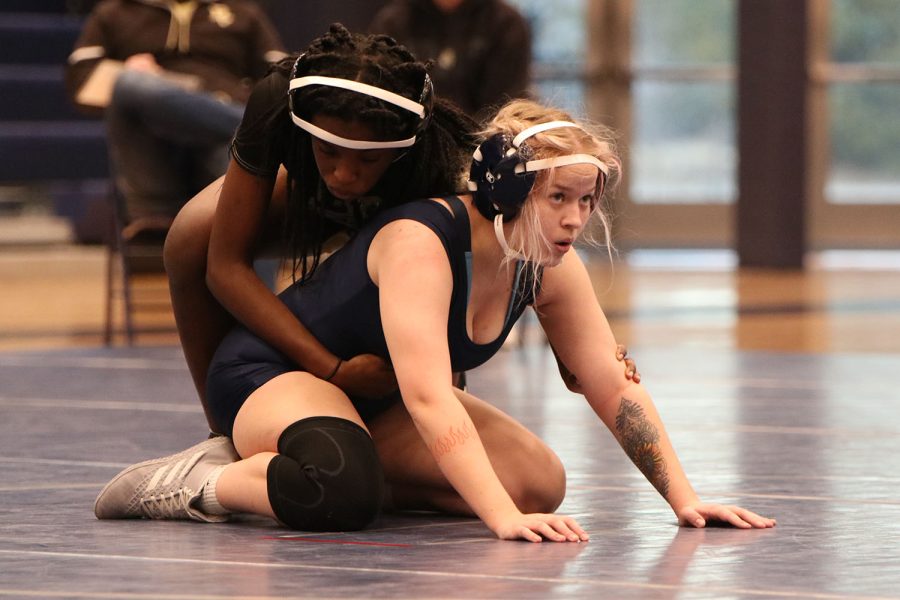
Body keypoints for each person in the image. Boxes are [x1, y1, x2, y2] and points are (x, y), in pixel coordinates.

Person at [93, 99, 776, 541]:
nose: (575, 219)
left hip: (374, 394)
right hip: (277, 373)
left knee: (539, 481)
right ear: (507, 189)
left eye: (586, 201)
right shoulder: (424, 244)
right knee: (344, 488)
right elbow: (427, 395)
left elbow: (612, 382)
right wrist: (500, 521)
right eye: (558, 197)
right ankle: (204, 479)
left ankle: (315, 459)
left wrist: (683, 500)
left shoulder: (547, 263)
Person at [160, 23, 638, 436]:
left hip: (402, 210)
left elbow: (514, 251)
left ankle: (392, 438)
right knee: (191, 236)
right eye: (329, 150)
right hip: (300, 192)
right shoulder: (278, 99)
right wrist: (331, 369)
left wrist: (579, 356)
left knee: (433, 280)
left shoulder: (441, 157)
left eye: (366, 158)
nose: (345, 175)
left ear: (402, 146)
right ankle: (223, 433)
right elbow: (225, 267)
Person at [65, 0, 287, 220]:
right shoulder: (115, 12)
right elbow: (81, 82)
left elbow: (281, 79)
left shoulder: (243, 12)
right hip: (154, 132)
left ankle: (239, 127)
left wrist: (239, 98)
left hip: (224, 117)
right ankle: (247, 128)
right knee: (129, 82)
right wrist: (122, 69)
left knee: (233, 147)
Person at [369, 0, 532, 120]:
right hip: (406, 148)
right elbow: (379, 103)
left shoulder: (506, 25)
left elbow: (505, 108)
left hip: (481, 152)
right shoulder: (392, 23)